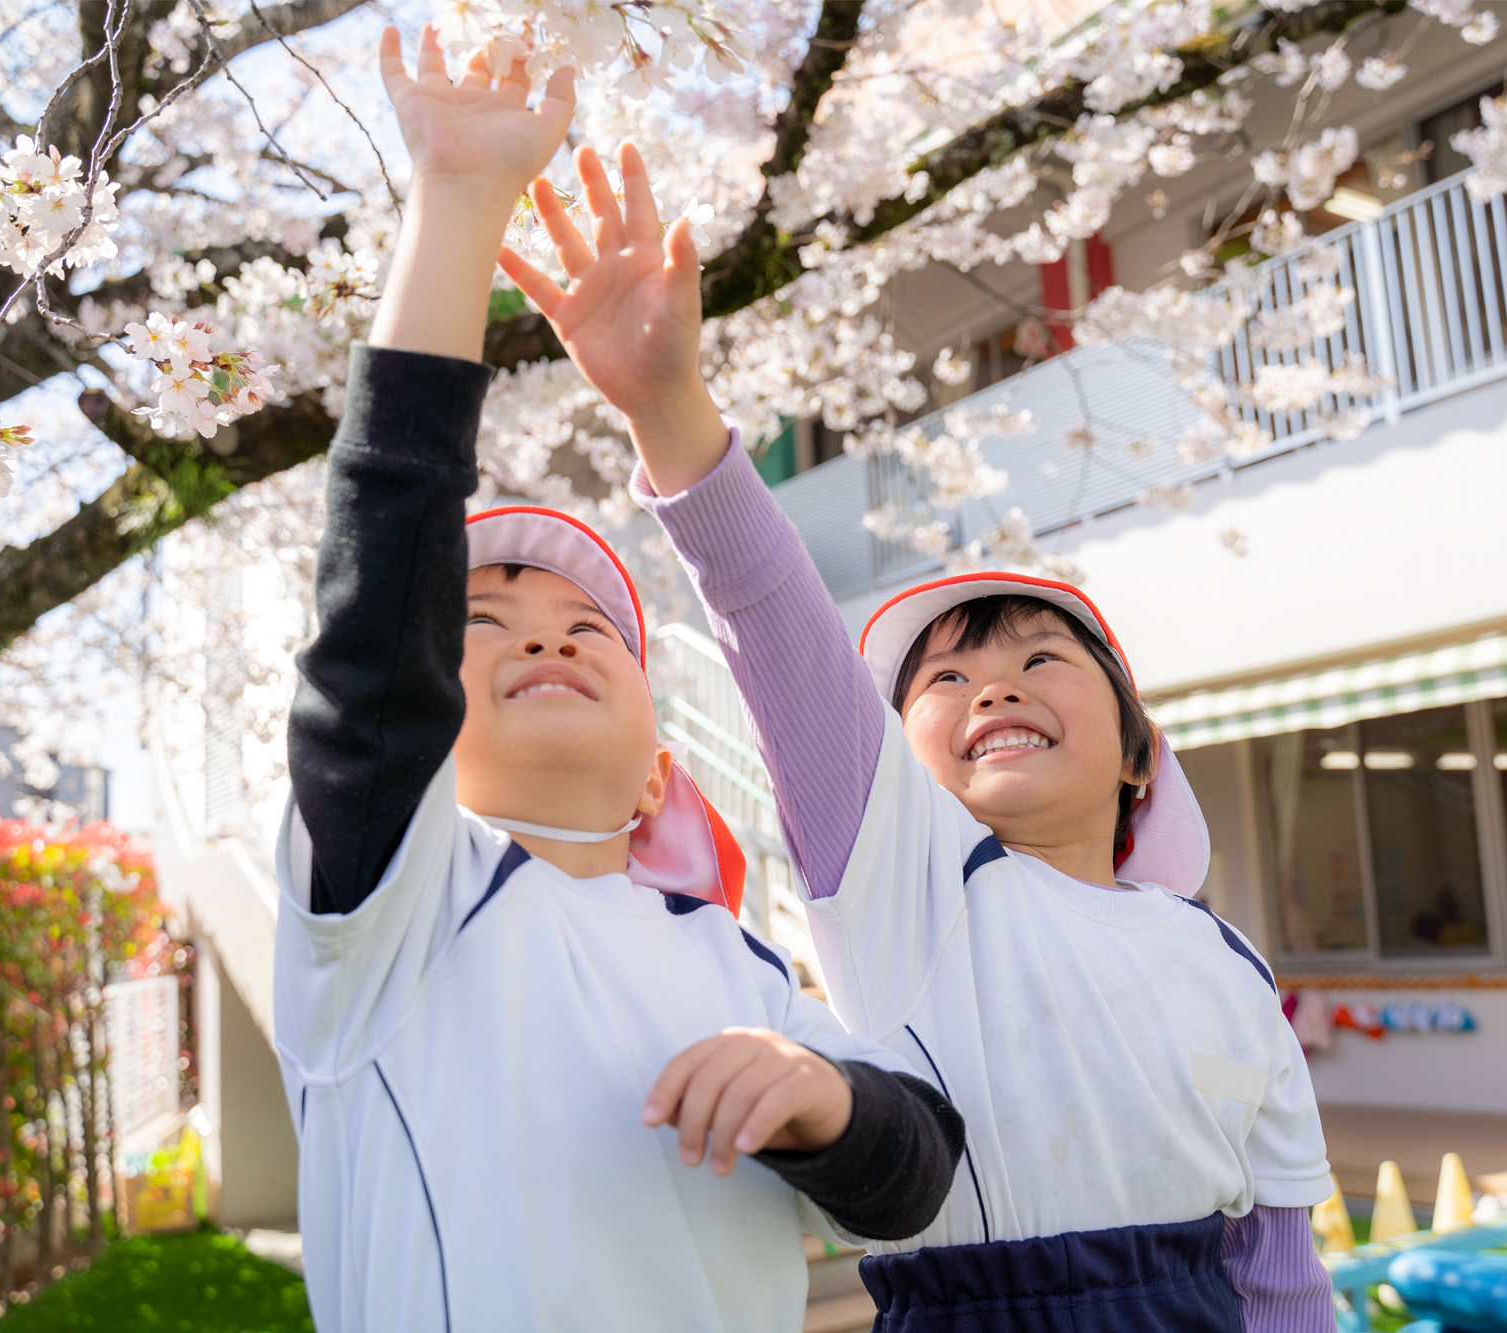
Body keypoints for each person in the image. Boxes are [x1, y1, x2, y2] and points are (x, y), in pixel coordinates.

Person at [500, 141, 1337, 1331]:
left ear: (1141, 752)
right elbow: (772, 623)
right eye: (943, 678)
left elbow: (1279, 1266)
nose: (991, 688)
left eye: (1039, 659)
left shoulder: (1225, 963)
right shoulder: (907, 873)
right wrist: (666, 408)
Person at [272, 28, 963, 1332]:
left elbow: (915, 1164)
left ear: (662, 756)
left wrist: (823, 1098)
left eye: (594, 623)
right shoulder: (386, 915)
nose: (549, 633)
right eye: (483, 615)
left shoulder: (739, 959)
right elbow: (376, 615)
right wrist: (461, 204)